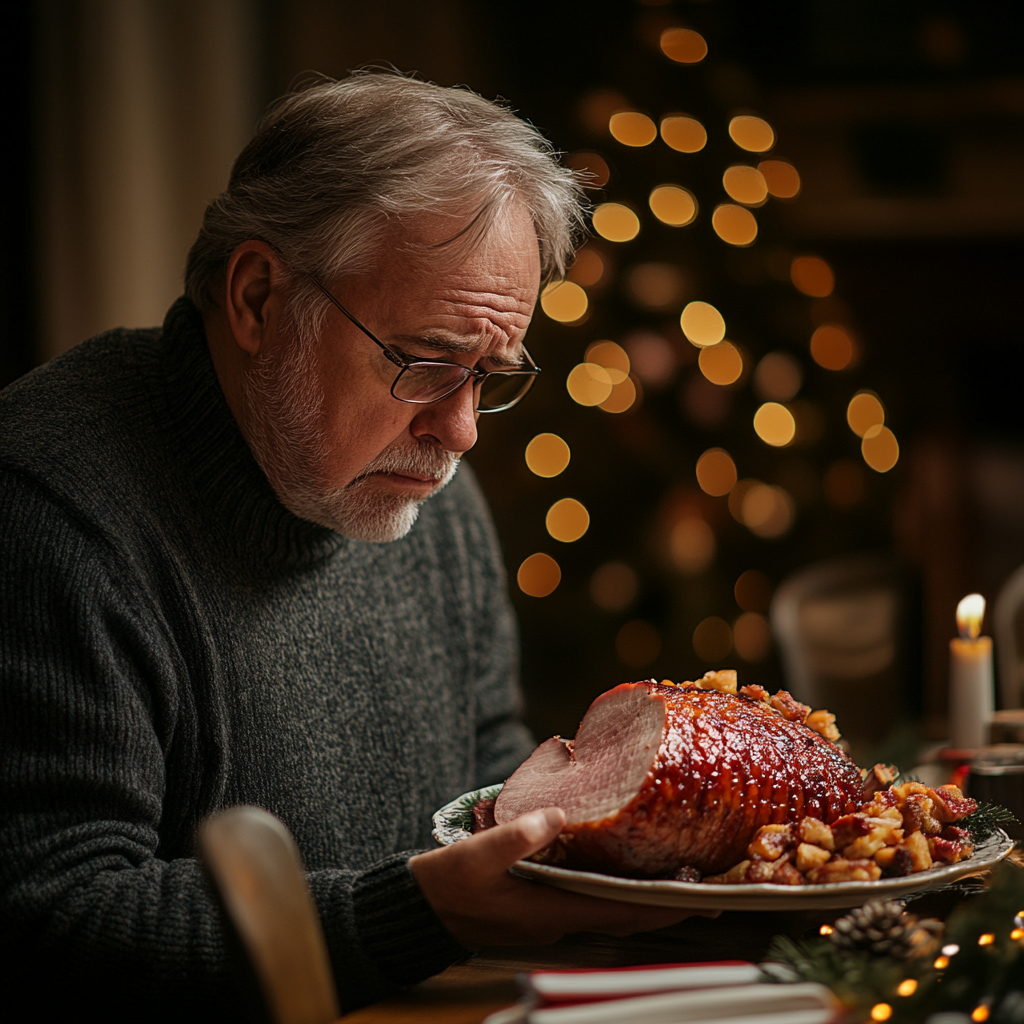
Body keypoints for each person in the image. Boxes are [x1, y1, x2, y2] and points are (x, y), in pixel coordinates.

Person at [0, 72, 696, 1021]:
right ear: (256, 298)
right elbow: (51, 922)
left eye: (490, 376)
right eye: (422, 362)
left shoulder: (426, 488)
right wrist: (410, 914)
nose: (460, 432)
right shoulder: (50, 508)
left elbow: (487, 784)